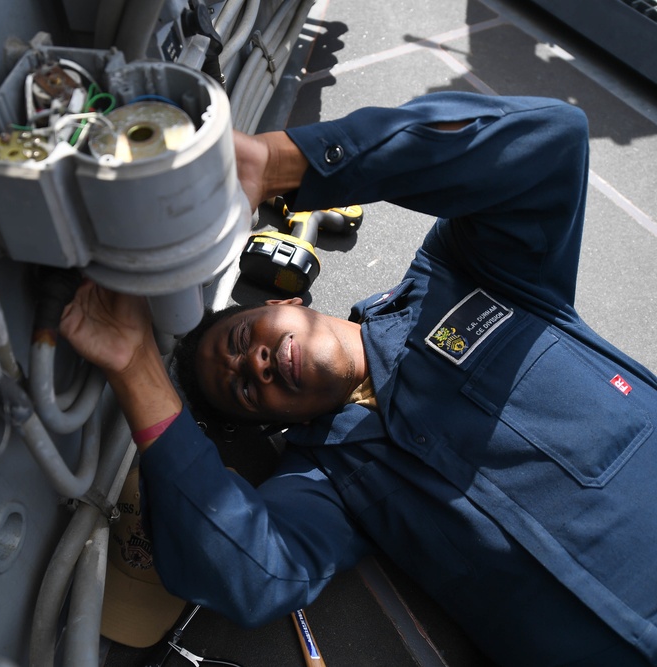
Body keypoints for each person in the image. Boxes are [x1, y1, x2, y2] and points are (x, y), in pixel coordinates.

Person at [59, 92, 657, 666]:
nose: (255, 364)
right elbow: (250, 573)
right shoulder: (330, 480)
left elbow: (550, 143)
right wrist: (135, 368)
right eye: (244, 388)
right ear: (276, 423)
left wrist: (277, 163)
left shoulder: (466, 275)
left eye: (242, 341)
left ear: (284, 305)